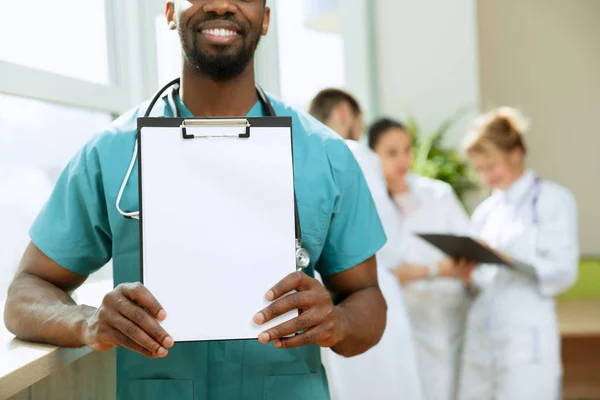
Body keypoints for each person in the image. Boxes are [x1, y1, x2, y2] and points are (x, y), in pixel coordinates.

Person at [2, 2, 390, 399]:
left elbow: (369, 302)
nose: (222, 4)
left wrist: (338, 322)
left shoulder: (324, 154)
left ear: (267, 18)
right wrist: (88, 322)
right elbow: (24, 294)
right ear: (169, 11)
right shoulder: (113, 153)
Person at [308, 88, 424, 400]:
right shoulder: (356, 153)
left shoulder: (307, 154)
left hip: (327, 294)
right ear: (346, 113)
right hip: (370, 291)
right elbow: (386, 243)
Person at [457, 107, 579, 400]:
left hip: (526, 336)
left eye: (492, 165)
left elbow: (562, 272)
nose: (487, 176)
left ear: (516, 152)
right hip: (482, 332)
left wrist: (506, 258)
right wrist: (467, 276)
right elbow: (482, 282)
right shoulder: (487, 211)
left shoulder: (552, 199)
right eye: (480, 168)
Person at [368, 117, 475, 400]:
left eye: (407, 149)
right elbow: (384, 271)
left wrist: (428, 271)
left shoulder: (438, 193)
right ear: (372, 155)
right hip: (400, 319)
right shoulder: (369, 202)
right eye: (392, 152)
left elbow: (468, 251)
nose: (403, 159)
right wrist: (437, 269)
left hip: (444, 316)